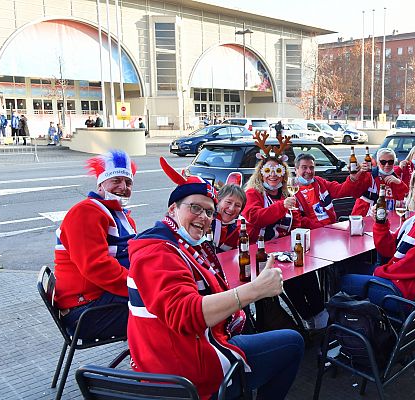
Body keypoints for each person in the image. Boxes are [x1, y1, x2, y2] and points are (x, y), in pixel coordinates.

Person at [127, 157, 304, 399]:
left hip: (180, 351)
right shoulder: (157, 251)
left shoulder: (179, 242)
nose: (203, 217)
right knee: (293, 343)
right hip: (183, 370)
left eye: (209, 212)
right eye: (195, 208)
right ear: (172, 209)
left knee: (252, 329)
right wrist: (254, 291)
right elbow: (185, 314)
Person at [340, 167, 415, 308]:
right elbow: (388, 250)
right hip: (402, 281)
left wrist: (378, 272)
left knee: (342, 280)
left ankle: (338, 324)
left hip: (404, 294)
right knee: (346, 267)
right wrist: (381, 224)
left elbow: (412, 265)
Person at [243, 136, 327, 329]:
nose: (273, 175)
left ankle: (320, 317)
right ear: (261, 173)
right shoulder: (253, 194)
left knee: (307, 271)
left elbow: (295, 221)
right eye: (268, 171)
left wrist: (307, 233)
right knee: (290, 281)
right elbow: (256, 217)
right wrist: (282, 206)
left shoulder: (285, 193)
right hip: (261, 254)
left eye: (278, 171)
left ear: (284, 174)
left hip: (284, 250)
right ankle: (307, 318)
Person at [53, 150, 137, 340]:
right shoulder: (86, 212)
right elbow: (96, 266)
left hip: (103, 298)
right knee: (165, 313)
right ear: (101, 184)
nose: (123, 187)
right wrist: (140, 286)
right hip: (85, 311)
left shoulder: (121, 214)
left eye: (128, 182)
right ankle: (153, 364)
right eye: (116, 180)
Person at [294, 153, 370, 229]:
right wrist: (322, 228)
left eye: (311, 167)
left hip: (331, 228)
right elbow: (298, 220)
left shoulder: (319, 182)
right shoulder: (291, 190)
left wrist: (352, 178)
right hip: (312, 232)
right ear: (295, 170)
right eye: (304, 167)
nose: (309, 171)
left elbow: (342, 190)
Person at [351, 148, 408, 217]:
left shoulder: (396, 178)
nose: (387, 165)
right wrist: (358, 174)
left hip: (388, 217)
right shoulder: (369, 175)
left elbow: (405, 199)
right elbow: (354, 192)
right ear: (377, 162)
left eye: (390, 162)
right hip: (365, 216)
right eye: (383, 162)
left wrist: (399, 183)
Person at [212, 184, 246, 252]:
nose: (231, 208)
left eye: (237, 205)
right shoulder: (206, 222)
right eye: (228, 202)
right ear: (218, 201)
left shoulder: (235, 230)